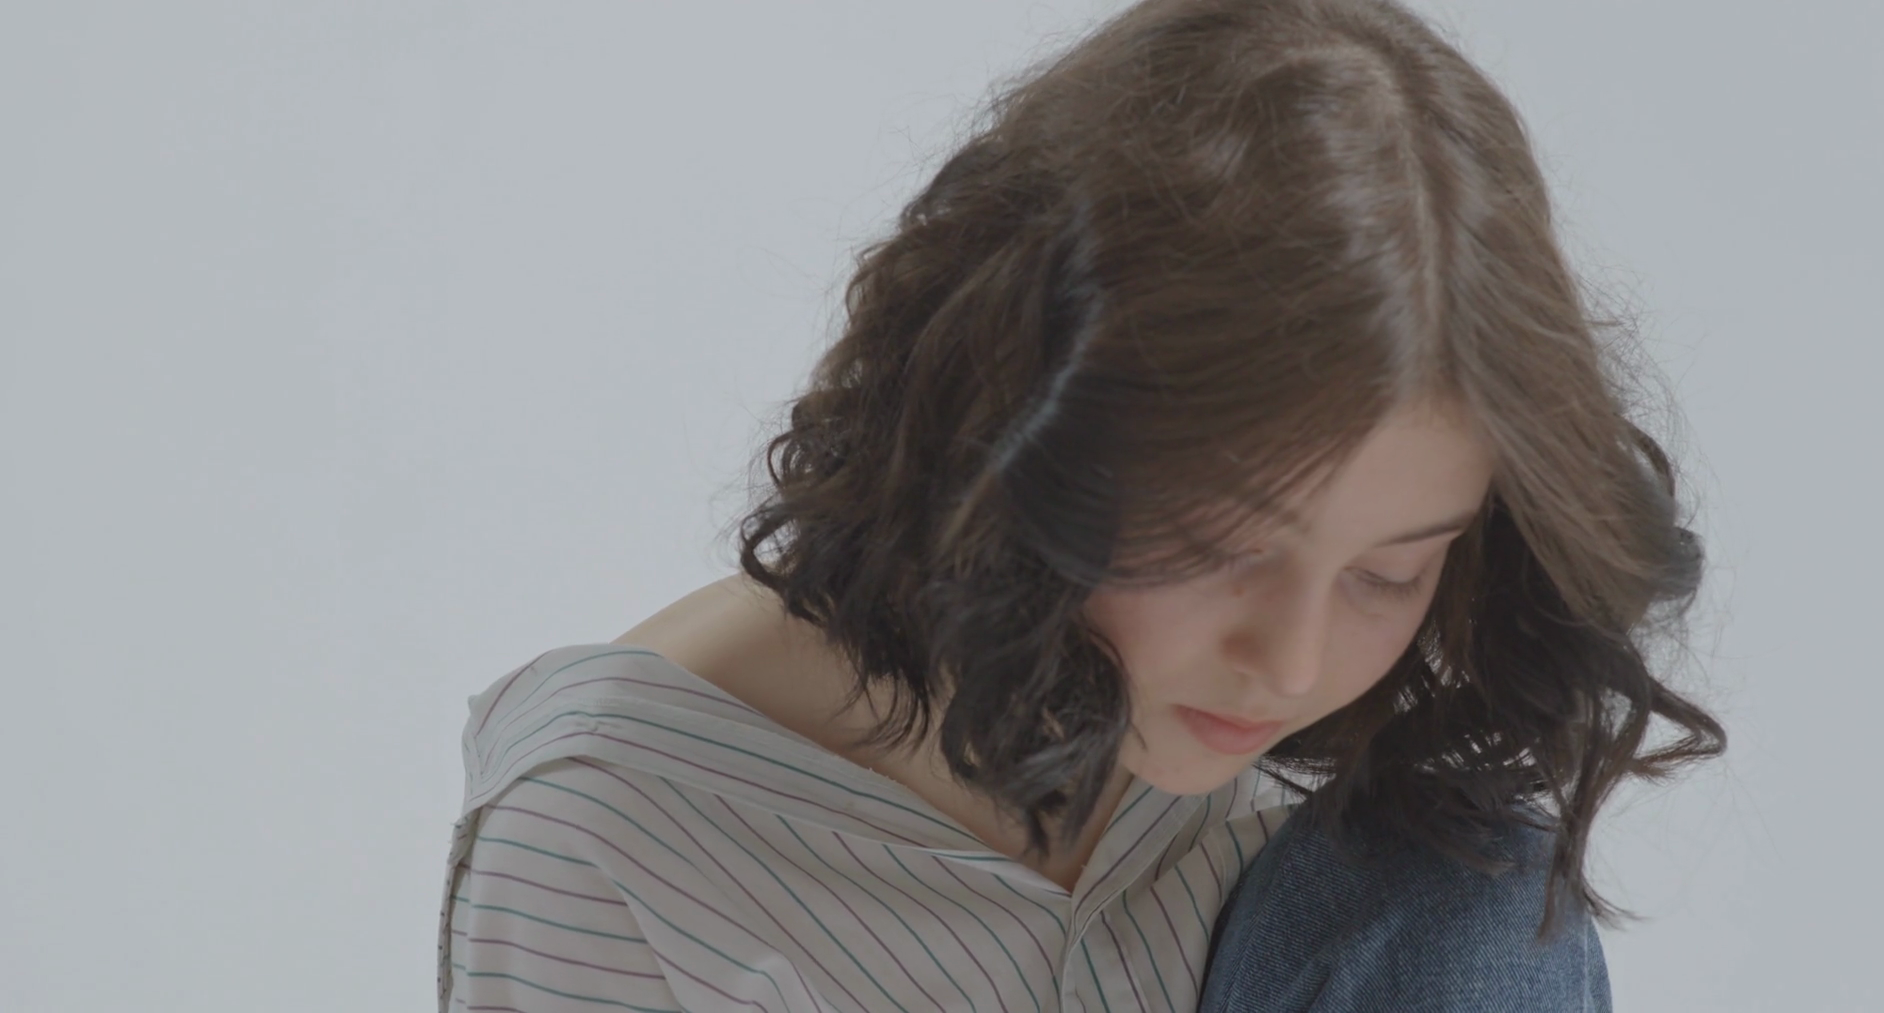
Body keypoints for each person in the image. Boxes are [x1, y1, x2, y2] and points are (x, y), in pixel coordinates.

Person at [436, 0, 1727, 1009]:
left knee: (1472, 898)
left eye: (1388, 574)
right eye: (1217, 548)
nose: (1290, 666)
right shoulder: (612, 829)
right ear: (1011, 436)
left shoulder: (1376, 863)